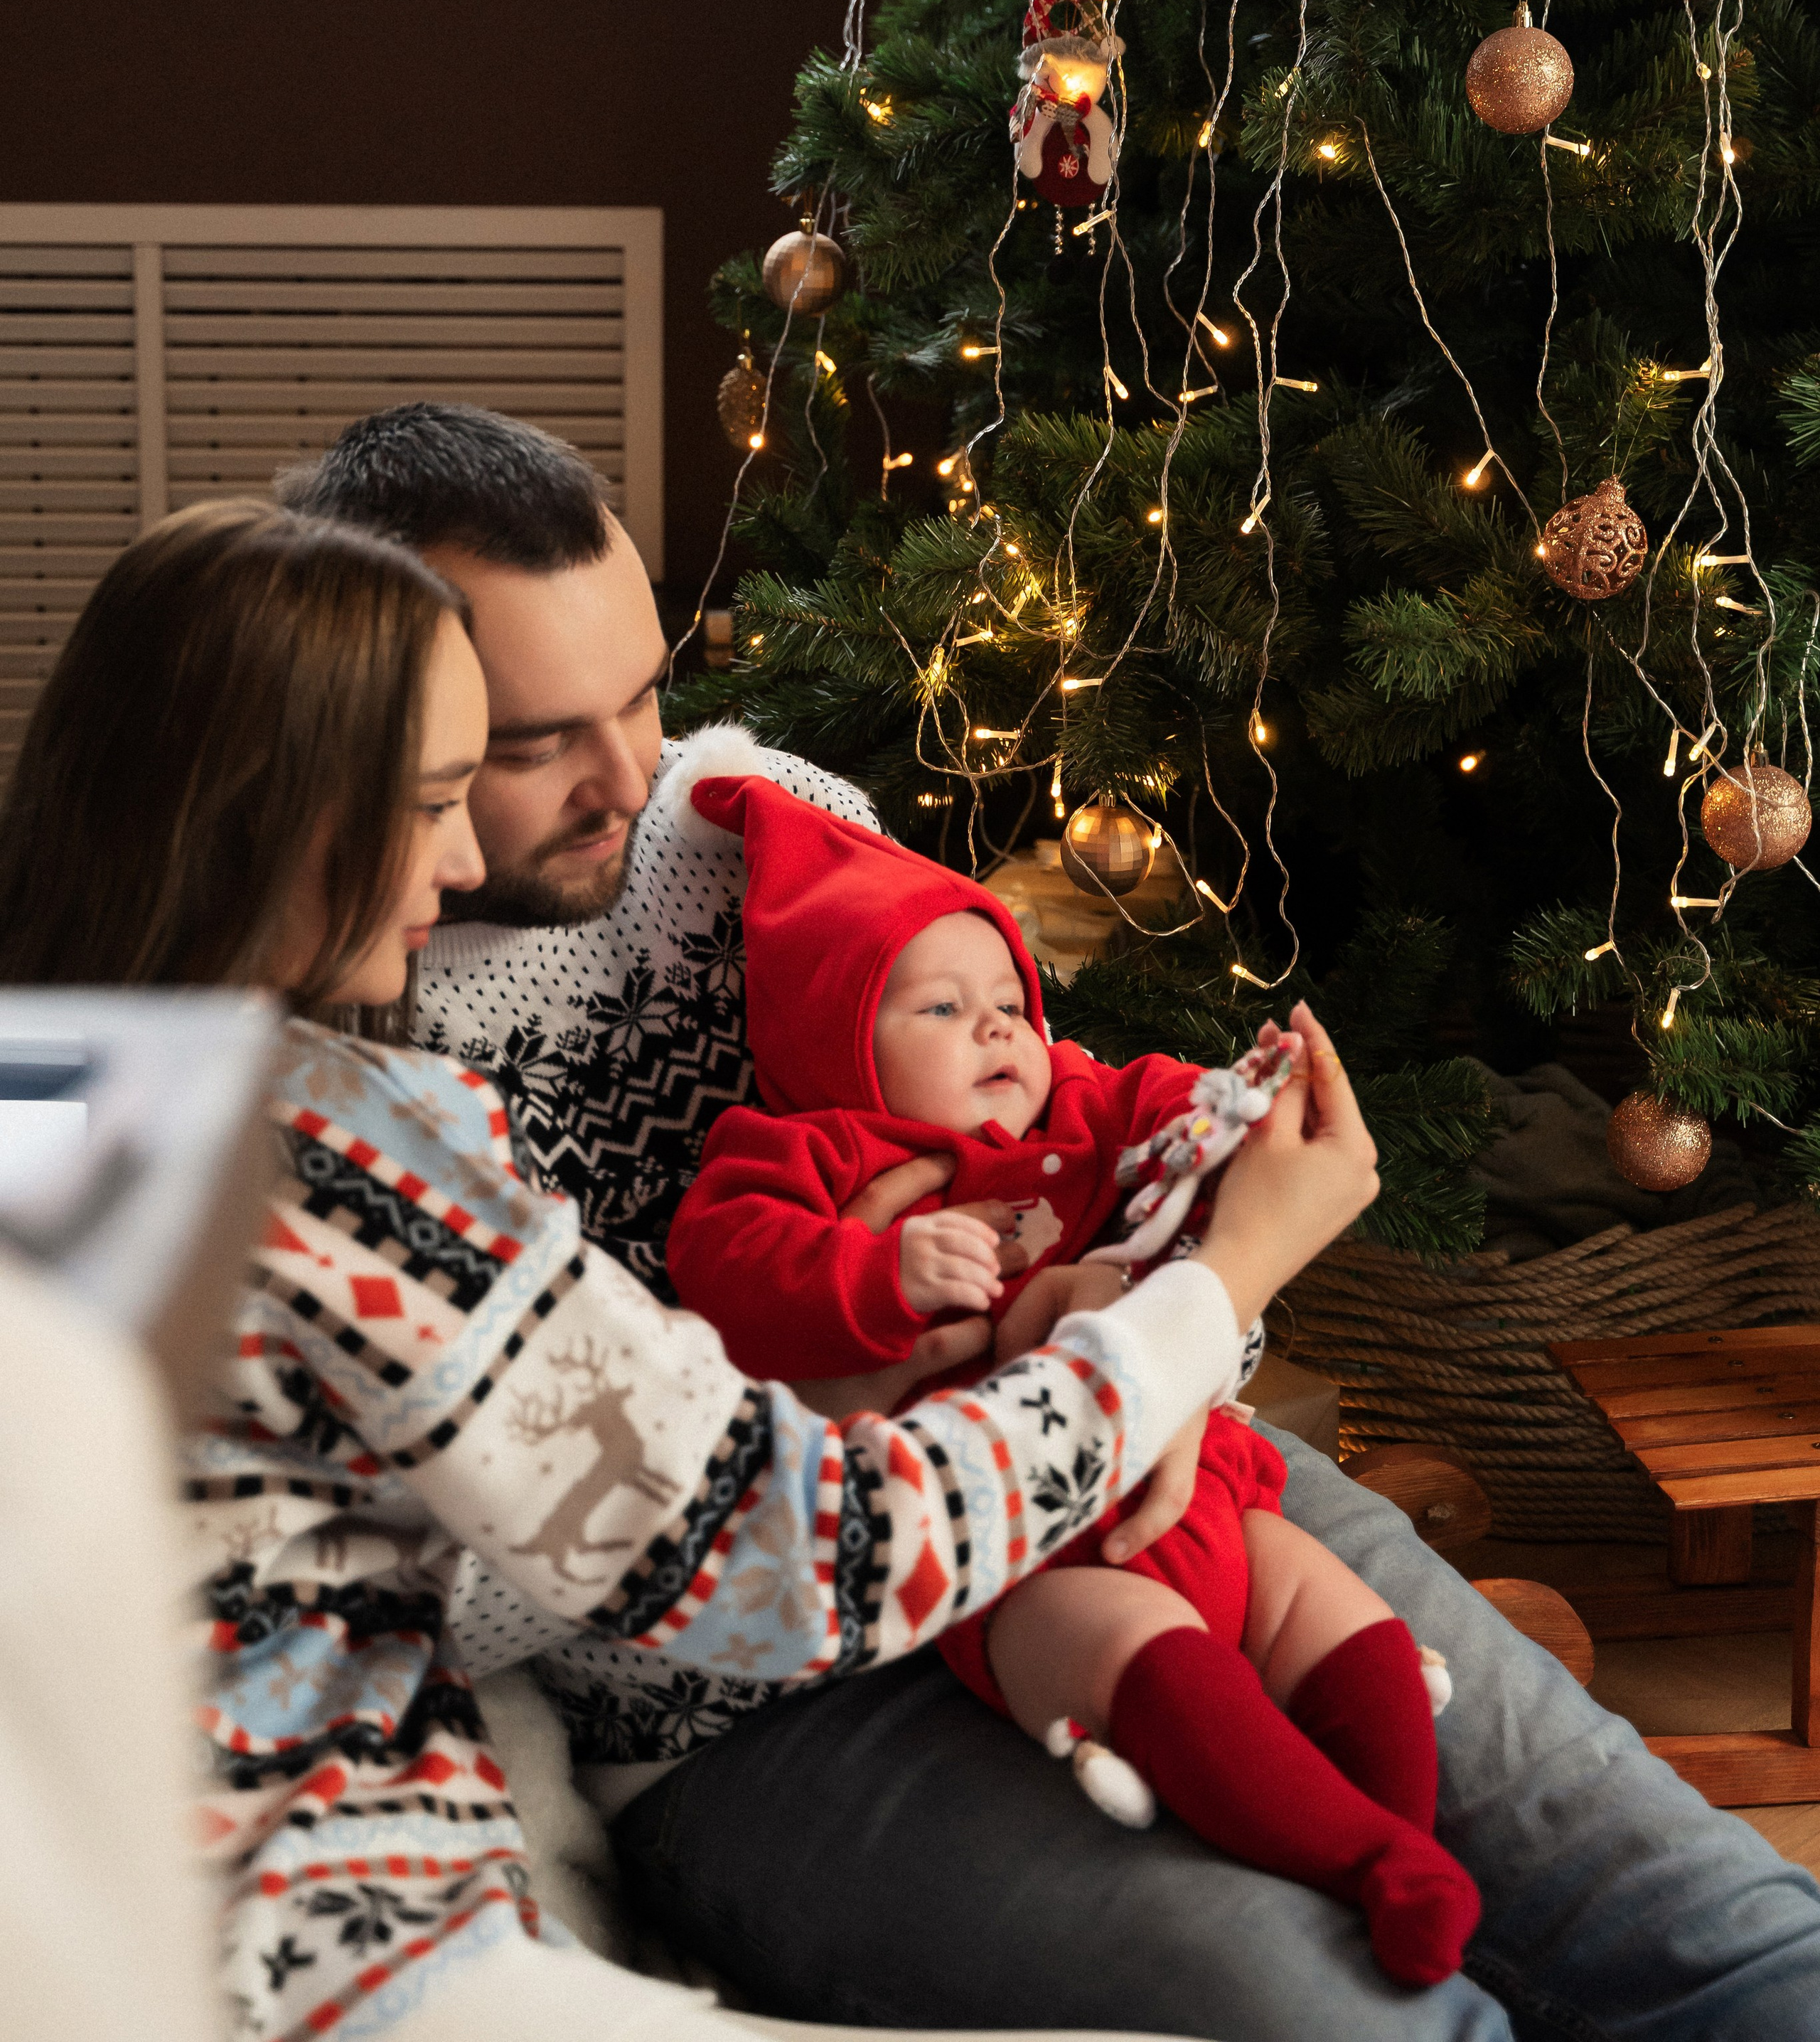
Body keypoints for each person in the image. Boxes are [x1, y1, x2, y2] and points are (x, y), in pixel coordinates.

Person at [282, 402, 1820, 2042]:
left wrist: (1169, 1317)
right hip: (769, 1707)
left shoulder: (751, 817)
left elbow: (1046, 1125)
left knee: (1709, 1930)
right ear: (382, 718)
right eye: (535, 744)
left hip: (1145, 1488)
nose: (634, 774)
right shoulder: (329, 1049)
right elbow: (446, 1567)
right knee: (1341, 2013)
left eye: (648, 690)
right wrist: (906, 1397)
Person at [0, 497, 1371, 2042]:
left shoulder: (44, 1089)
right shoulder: (320, 1153)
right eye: (438, 793)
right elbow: (800, 1562)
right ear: (272, 810)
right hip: (333, 1959)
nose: (457, 860)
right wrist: (1217, 1287)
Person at [664, 768, 1477, 1988]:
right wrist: (873, 1270)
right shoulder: (818, 1149)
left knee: (1332, 1608)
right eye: (939, 1010)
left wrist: (1236, 1097)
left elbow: (1149, 1107)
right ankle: (1357, 1861)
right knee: (1135, 1652)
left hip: (1194, 1480)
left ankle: (1408, 1843)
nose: (997, 1029)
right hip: (1015, 1541)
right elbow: (727, 1257)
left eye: (1010, 1001)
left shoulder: (1069, 1113)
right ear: (835, 1045)